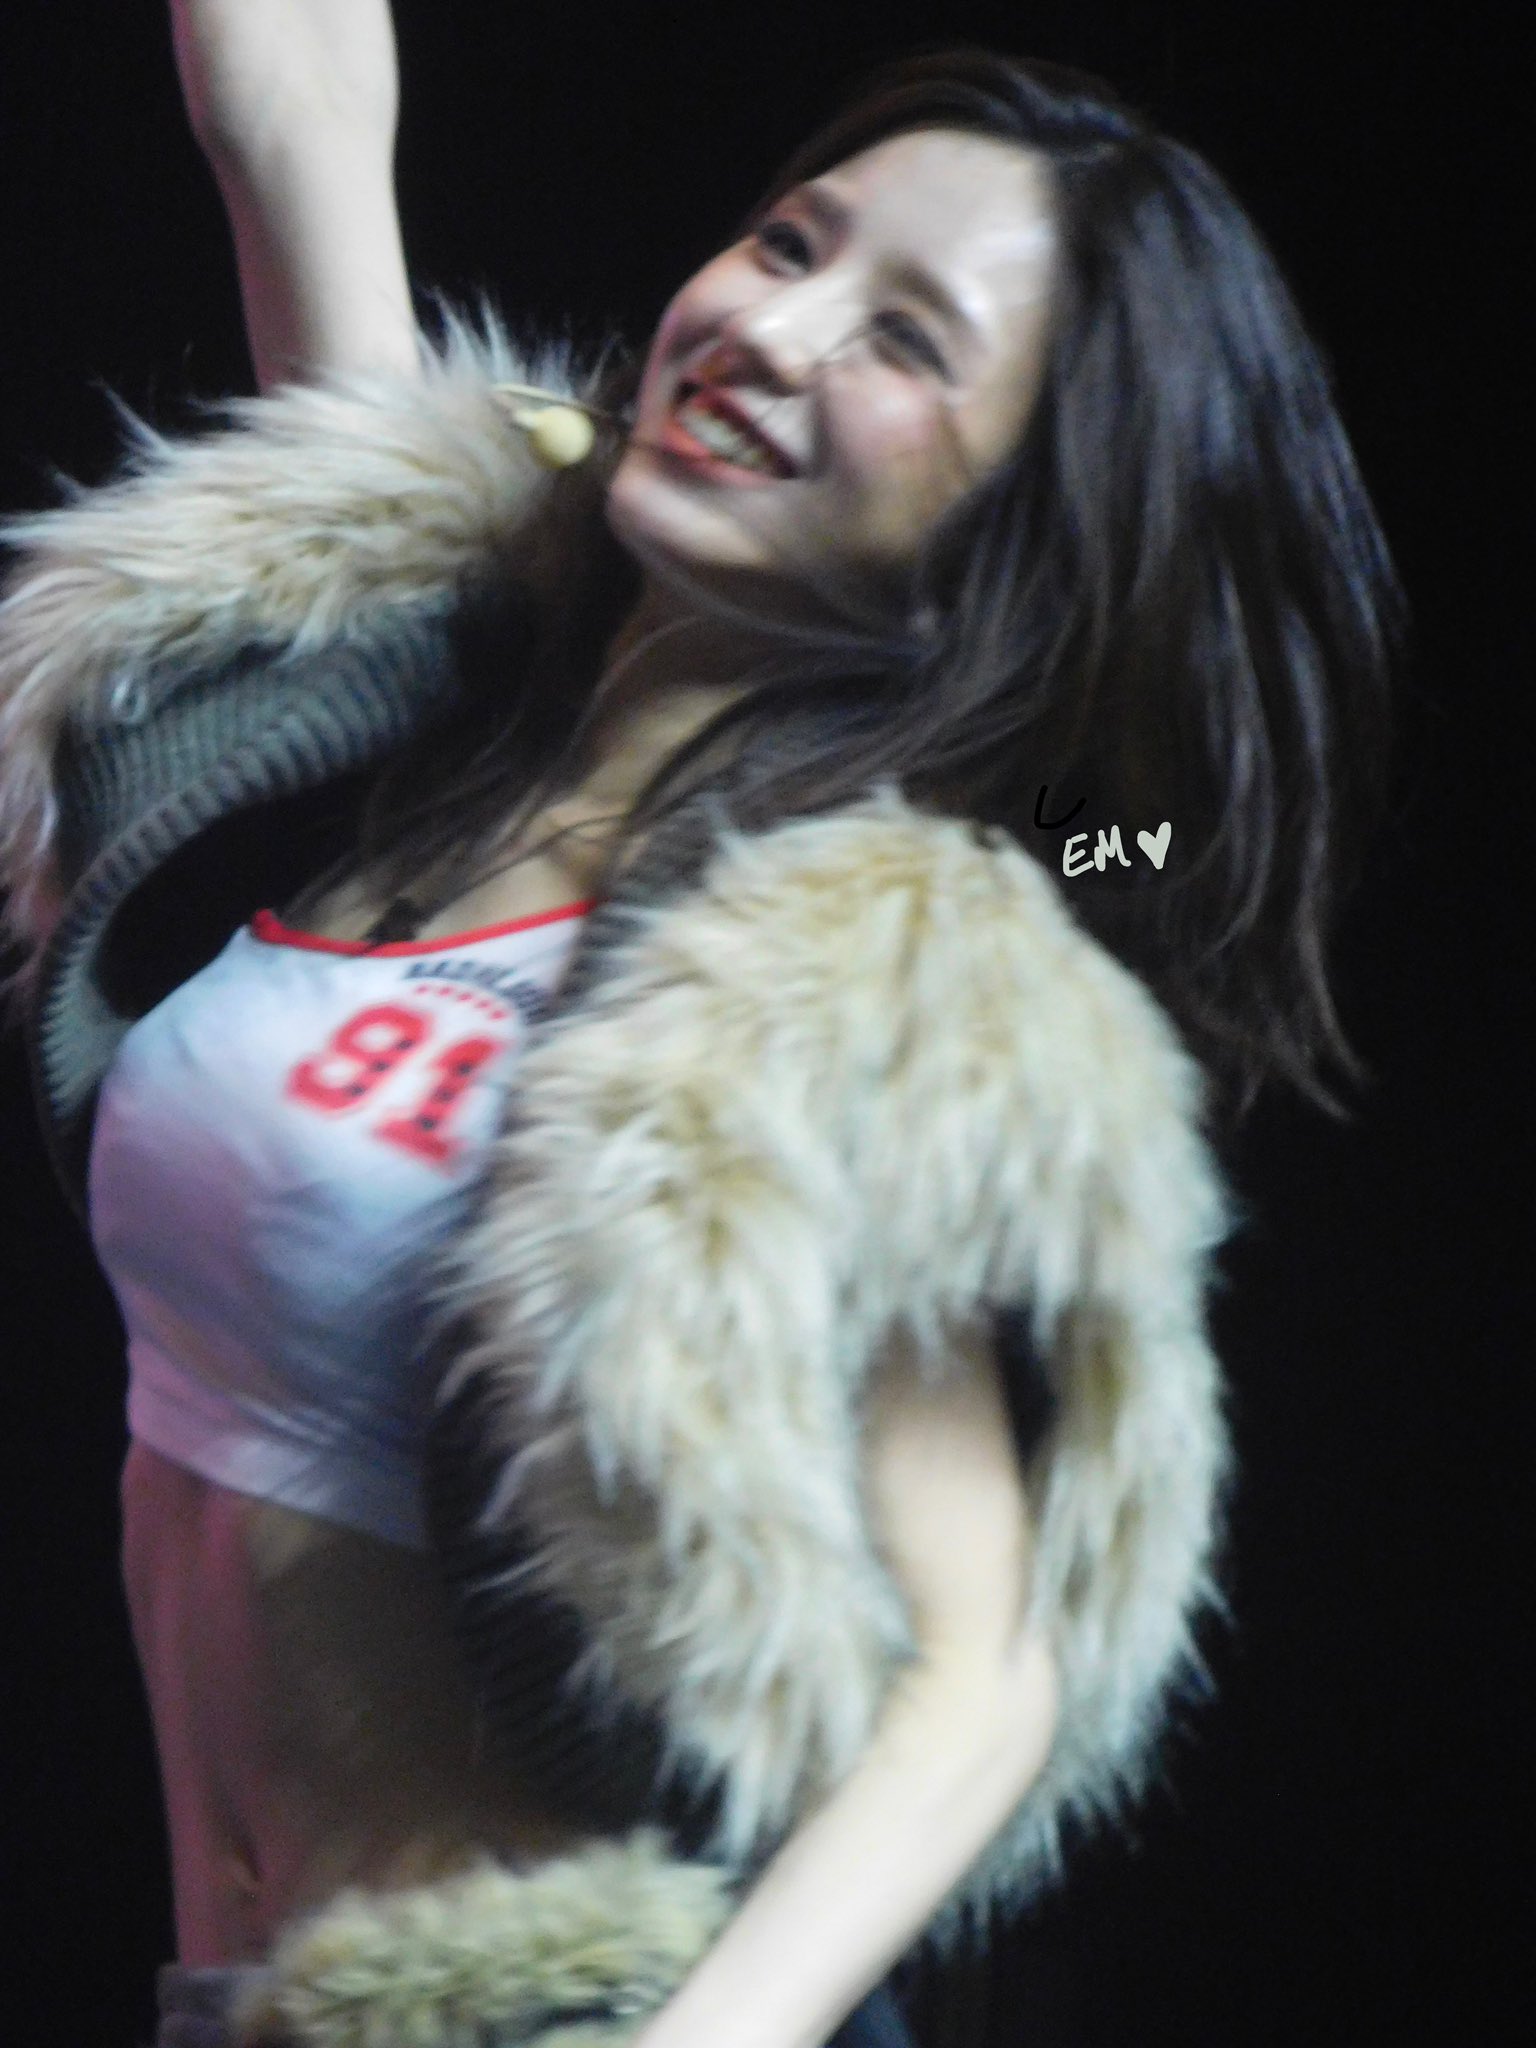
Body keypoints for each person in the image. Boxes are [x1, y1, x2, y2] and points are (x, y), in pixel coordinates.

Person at [0, 6, 1402, 2045]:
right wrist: (287, 135)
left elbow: (986, 1674)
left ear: (1016, 520)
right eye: (788, 243)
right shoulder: (466, 724)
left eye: (906, 338)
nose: (775, 326)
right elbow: (304, 146)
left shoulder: (843, 983)